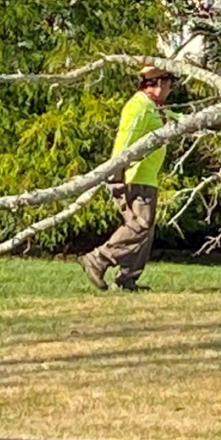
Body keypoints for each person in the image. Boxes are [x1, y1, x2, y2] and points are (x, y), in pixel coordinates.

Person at [79, 65, 176, 291]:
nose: (170, 90)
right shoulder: (139, 106)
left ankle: (126, 279)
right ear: (160, 83)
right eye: (169, 84)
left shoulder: (155, 108)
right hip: (134, 177)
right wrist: (116, 173)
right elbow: (125, 140)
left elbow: (179, 117)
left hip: (147, 178)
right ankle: (98, 259)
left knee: (145, 230)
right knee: (139, 226)